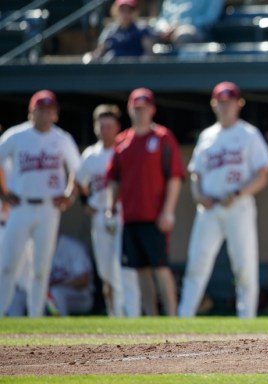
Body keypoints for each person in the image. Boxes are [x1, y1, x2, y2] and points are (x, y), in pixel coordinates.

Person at [178, 82, 268, 318]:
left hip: (238, 205)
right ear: (214, 104)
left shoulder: (248, 134)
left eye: (229, 102)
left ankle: (246, 318)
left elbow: (263, 175)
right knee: (197, 265)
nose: (225, 107)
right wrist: (199, 195)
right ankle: (183, 317)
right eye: (221, 102)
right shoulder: (208, 136)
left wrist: (239, 193)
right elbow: (195, 174)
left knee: (244, 267)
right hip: (209, 208)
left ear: (238, 104)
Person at [0, 90, 82, 317]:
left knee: (41, 267)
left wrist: (69, 194)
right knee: (8, 264)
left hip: (49, 207)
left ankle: (36, 316)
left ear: (55, 114)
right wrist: (3, 193)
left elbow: (77, 169)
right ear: (31, 112)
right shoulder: (16, 136)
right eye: (40, 109)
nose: (45, 114)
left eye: (49, 110)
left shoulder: (61, 138)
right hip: (20, 206)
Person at [106, 88, 185, 316]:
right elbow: (114, 179)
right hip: (130, 215)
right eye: (136, 108)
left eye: (144, 108)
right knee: (139, 269)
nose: (140, 112)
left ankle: (171, 315)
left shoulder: (162, 137)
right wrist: (112, 209)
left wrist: (168, 211)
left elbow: (175, 176)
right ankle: (151, 316)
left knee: (160, 267)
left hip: (155, 215)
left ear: (152, 109)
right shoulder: (122, 141)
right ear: (130, 109)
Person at [76, 104, 141, 317]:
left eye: (110, 126)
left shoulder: (123, 149)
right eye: (102, 126)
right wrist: (86, 204)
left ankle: (132, 314)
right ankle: (114, 315)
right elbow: (79, 182)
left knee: (125, 268)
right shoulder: (90, 155)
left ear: (117, 127)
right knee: (105, 269)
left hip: (122, 213)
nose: (105, 130)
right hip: (99, 214)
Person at [47, 235, 95, 316]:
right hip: (48, 298)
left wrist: (57, 285)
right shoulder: (31, 247)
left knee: (55, 292)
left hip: (80, 297)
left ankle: (59, 325)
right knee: (19, 297)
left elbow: (83, 281)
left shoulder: (72, 247)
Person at [154, 0, 223, 46]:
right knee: (146, 35)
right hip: (167, 29)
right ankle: (152, 68)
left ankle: (181, 68)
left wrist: (180, 25)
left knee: (182, 36)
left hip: (197, 29)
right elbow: (162, 18)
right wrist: (164, 28)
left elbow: (210, 18)